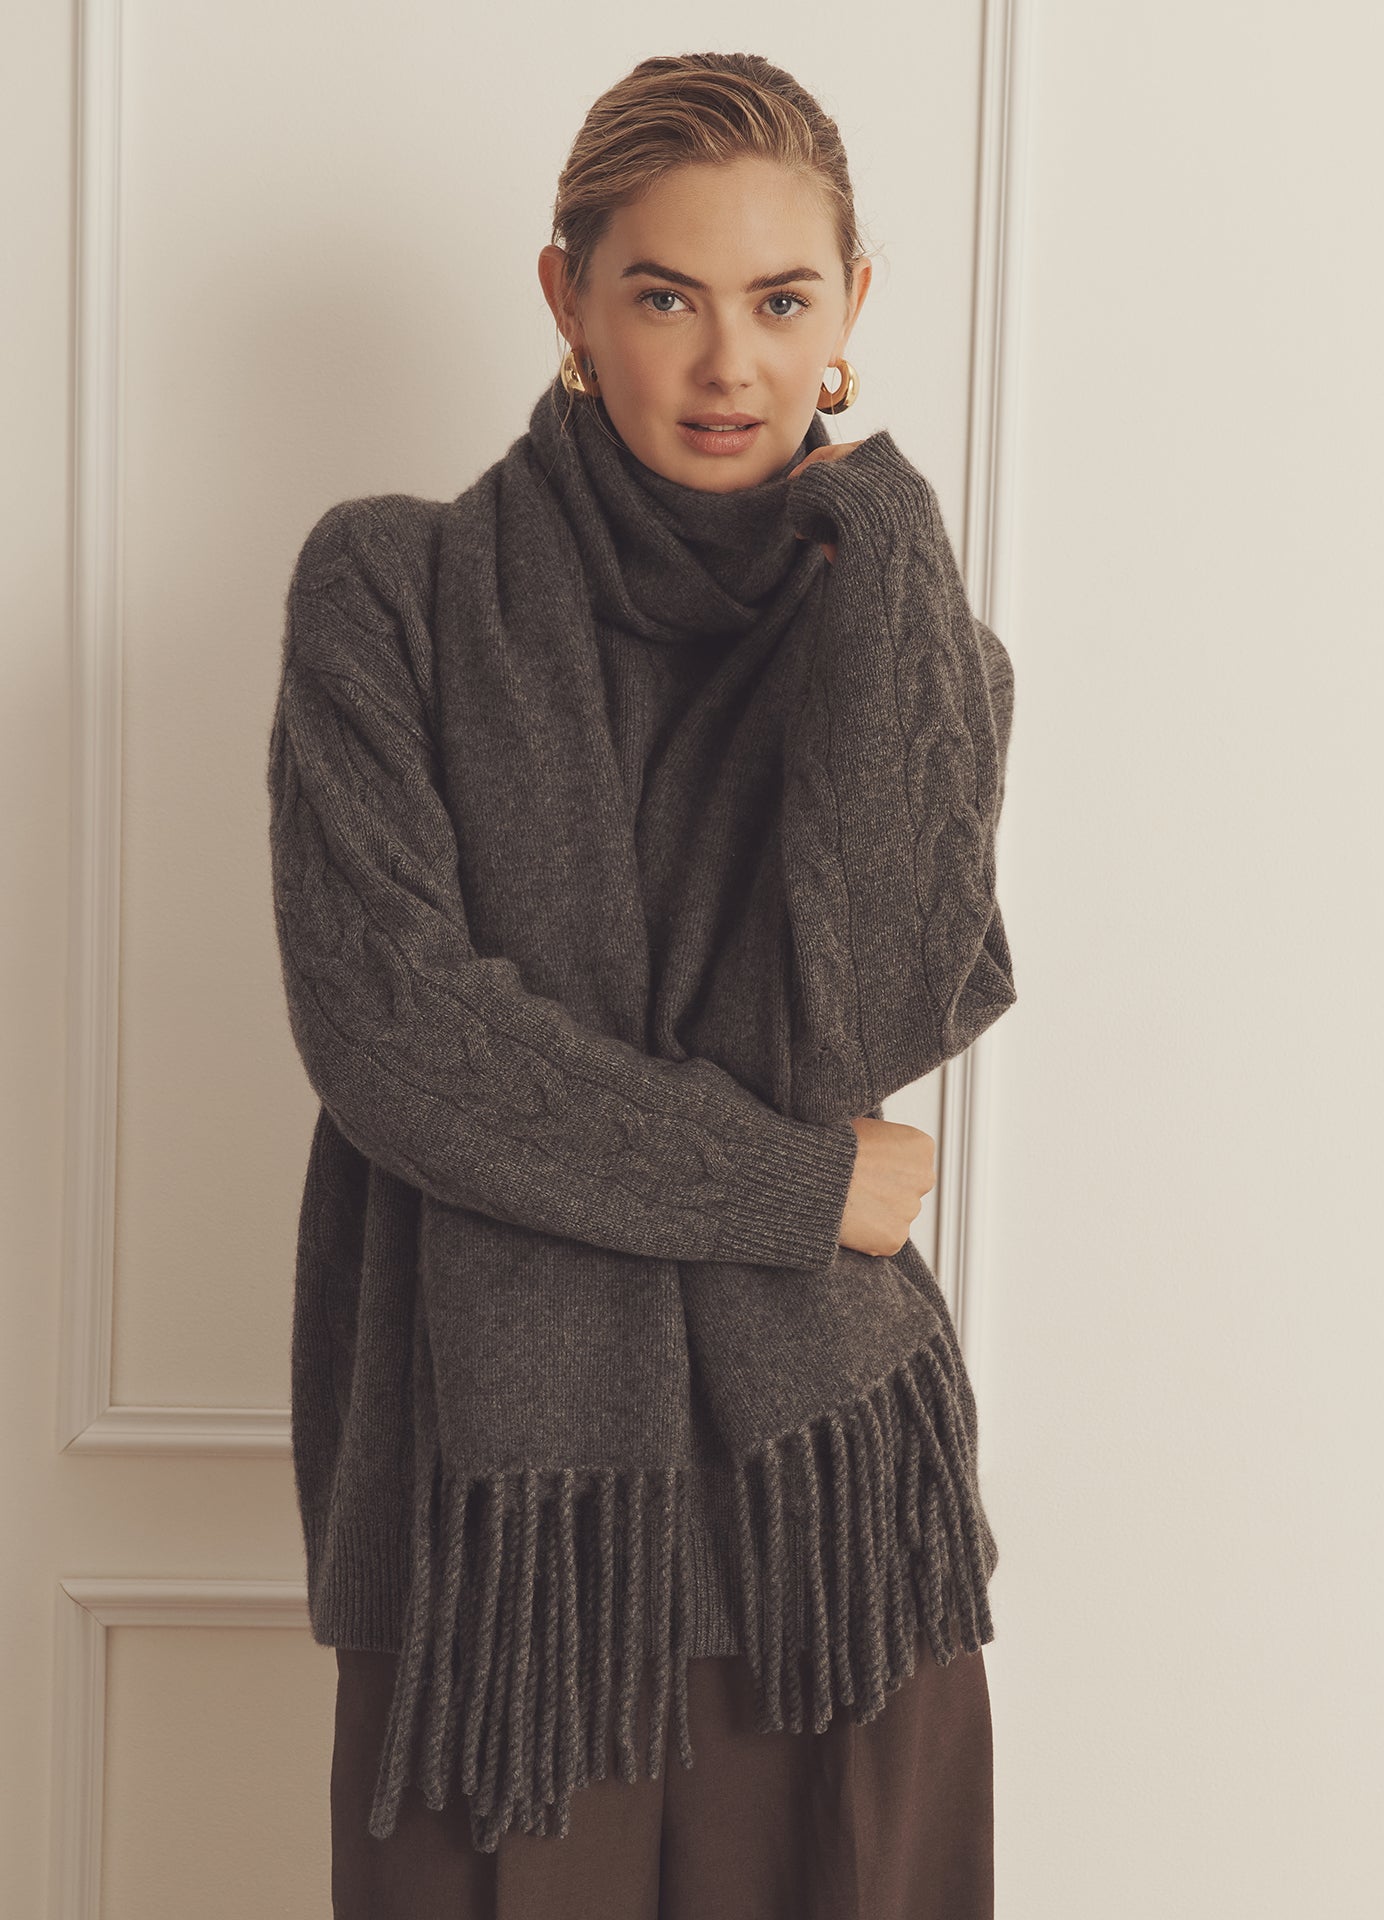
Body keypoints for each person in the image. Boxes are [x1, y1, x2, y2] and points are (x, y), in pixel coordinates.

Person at [267, 48, 1017, 1919]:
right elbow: (404, 1044)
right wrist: (799, 1184)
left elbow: (861, 1018)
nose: (729, 363)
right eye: (666, 297)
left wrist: (888, 548)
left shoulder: (902, 635)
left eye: (783, 300)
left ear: (852, 311)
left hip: (826, 1539)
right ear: (568, 298)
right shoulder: (392, 592)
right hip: (501, 1561)